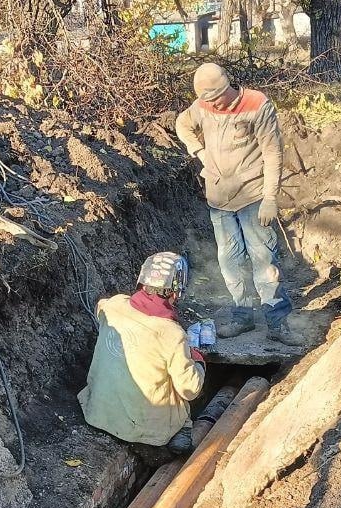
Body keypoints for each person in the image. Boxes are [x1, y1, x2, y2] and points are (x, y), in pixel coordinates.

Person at [175, 62, 301, 345]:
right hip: (219, 200)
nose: (211, 106)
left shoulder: (257, 104)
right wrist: (198, 151)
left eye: (215, 99)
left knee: (264, 260)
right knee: (229, 261)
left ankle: (277, 322)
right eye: (205, 101)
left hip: (254, 197)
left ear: (226, 88)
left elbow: (272, 154)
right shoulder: (203, 106)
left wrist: (270, 198)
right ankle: (242, 316)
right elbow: (182, 124)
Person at [78, 252, 205, 453]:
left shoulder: (112, 305)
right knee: (180, 392)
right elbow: (189, 390)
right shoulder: (172, 334)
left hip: (97, 414)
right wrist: (198, 361)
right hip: (146, 430)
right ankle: (179, 434)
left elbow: (100, 307)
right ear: (176, 291)